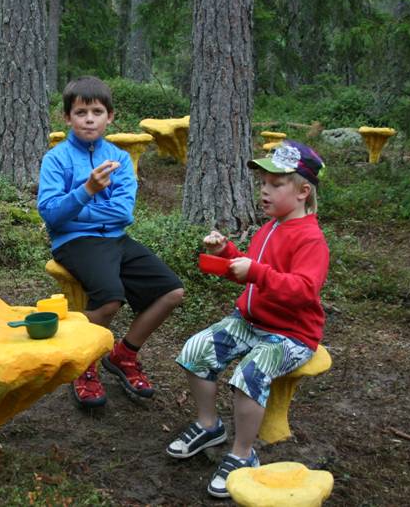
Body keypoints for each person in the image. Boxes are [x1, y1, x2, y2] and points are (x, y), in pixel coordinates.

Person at [166, 140, 329, 498]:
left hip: (291, 334)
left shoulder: (310, 239)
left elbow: (303, 290)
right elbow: (255, 273)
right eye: (263, 183)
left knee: (249, 375)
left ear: (303, 191)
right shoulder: (269, 227)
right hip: (249, 321)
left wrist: (256, 271)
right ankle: (209, 425)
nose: (264, 191)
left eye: (275, 184)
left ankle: (243, 454)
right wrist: (226, 254)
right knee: (196, 349)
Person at [37, 76, 185, 408]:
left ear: (110, 116)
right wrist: (87, 190)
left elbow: (122, 214)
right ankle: (83, 363)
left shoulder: (118, 158)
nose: (89, 119)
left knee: (171, 291)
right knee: (109, 300)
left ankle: (124, 354)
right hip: (75, 242)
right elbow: (51, 215)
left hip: (117, 239)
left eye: (97, 111)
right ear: (67, 118)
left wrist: (77, 207)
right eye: (81, 112)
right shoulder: (56, 159)